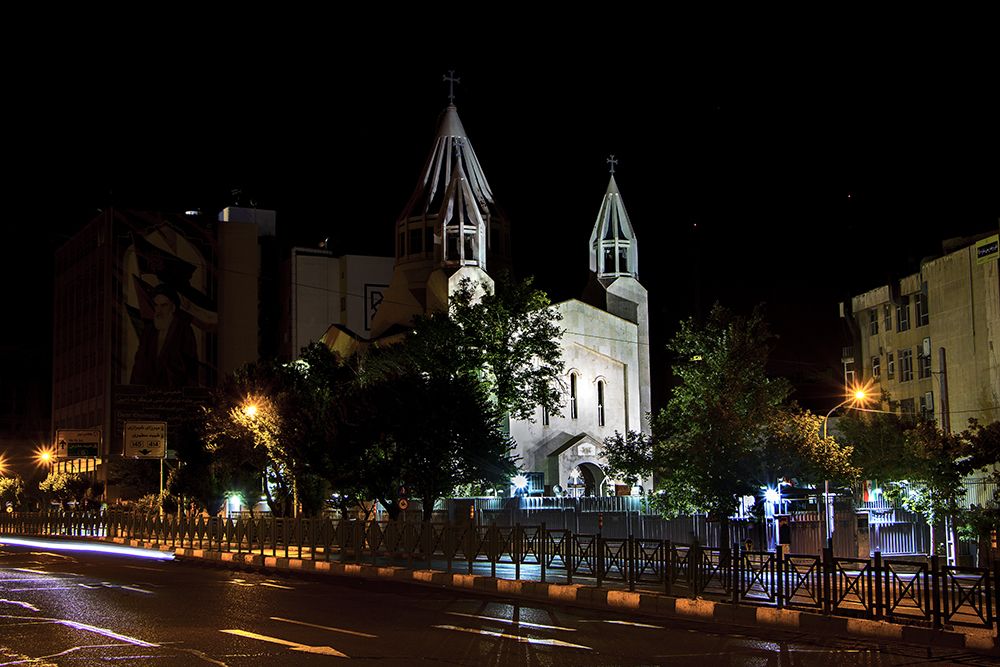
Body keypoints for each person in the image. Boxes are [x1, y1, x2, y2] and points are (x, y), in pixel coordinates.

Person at [130, 284, 199, 388]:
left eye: (164, 305)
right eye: (156, 305)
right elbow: (139, 366)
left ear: (173, 308)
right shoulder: (148, 332)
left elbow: (190, 370)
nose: (159, 311)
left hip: (175, 393)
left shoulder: (184, 330)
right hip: (149, 394)